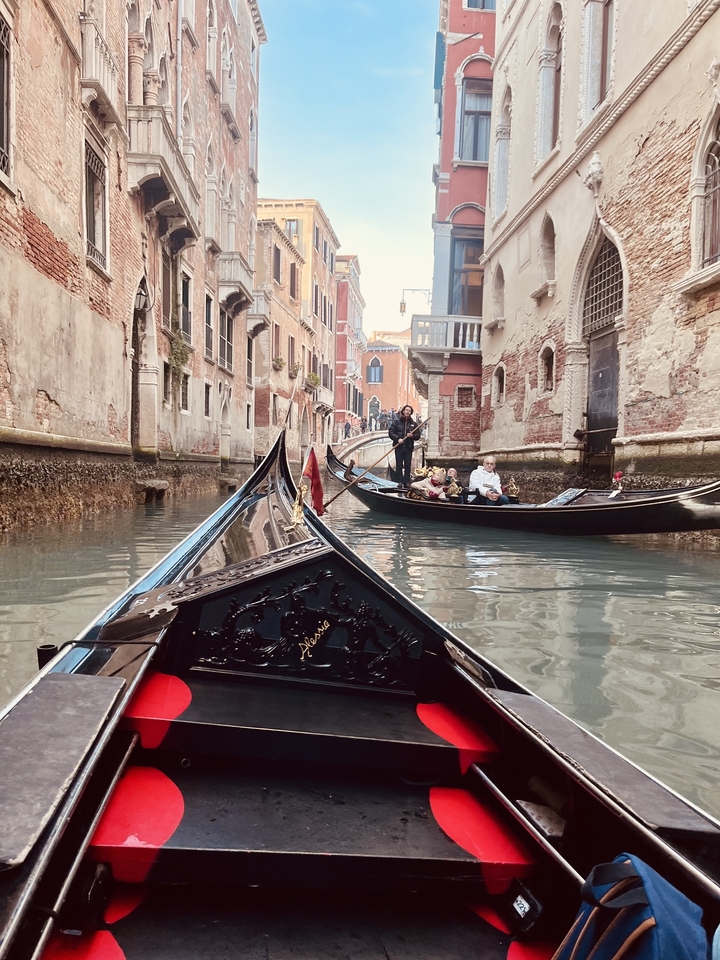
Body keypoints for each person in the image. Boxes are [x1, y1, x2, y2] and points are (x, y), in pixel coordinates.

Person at [389, 404, 421, 488]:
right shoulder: (396, 422)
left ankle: (407, 481)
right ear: (403, 411)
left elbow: (418, 435)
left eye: (409, 411)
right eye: (406, 410)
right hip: (399, 447)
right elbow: (391, 433)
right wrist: (398, 439)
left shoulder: (414, 424)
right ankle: (399, 481)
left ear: (411, 413)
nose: (408, 412)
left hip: (408, 448)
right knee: (399, 465)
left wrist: (412, 436)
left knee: (407, 465)